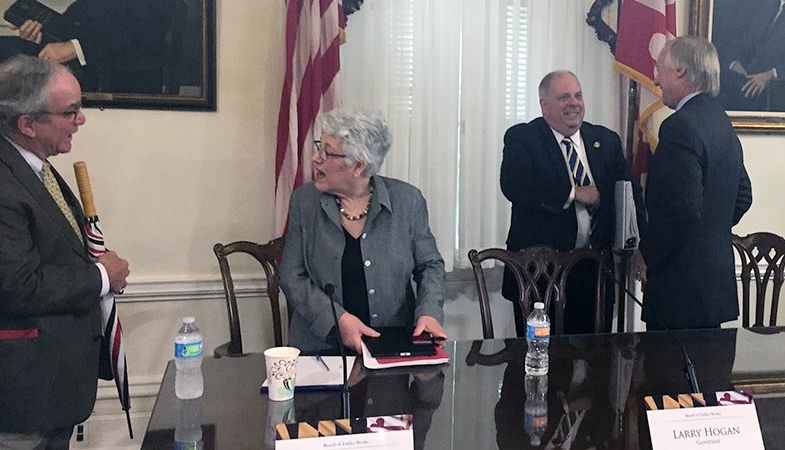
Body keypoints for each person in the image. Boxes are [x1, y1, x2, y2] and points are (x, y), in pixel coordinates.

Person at [0, 55, 130, 448]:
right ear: (27, 124)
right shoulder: (4, 184)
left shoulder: (35, 166)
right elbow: (18, 285)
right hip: (24, 395)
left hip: (54, 389)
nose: (82, 119)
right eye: (70, 111)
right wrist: (103, 276)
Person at [280, 109, 447, 354]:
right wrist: (336, 319)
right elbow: (291, 276)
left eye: (327, 152)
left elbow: (430, 265)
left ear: (358, 165)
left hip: (391, 343)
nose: (316, 158)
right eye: (319, 147)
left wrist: (429, 312)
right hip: (321, 348)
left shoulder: (407, 201)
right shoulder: (304, 202)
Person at [500, 70, 645, 336]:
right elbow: (514, 184)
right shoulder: (523, 138)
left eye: (578, 95)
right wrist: (573, 192)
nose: (574, 103)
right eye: (564, 97)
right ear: (545, 105)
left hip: (594, 274)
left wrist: (639, 247)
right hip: (539, 275)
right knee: (542, 362)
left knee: (596, 362)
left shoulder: (606, 140)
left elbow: (631, 194)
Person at [641, 36, 753, 330]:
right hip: (713, 289)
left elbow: (681, 210)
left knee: (667, 375)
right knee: (708, 375)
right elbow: (743, 196)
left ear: (680, 72)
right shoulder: (720, 120)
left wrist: (648, 256)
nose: (655, 78)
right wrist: (709, 235)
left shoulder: (680, 126)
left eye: (659, 68)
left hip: (679, 292)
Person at [2, 0, 176, 94]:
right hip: (81, 89)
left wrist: (76, 48)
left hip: (125, 94)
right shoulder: (84, 5)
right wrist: (37, 34)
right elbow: (66, 32)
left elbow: (145, 39)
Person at [719, 0, 785, 111]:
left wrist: (771, 74)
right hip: (741, 78)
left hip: (772, 93)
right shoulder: (761, 5)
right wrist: (734, 62)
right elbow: (736, 36)